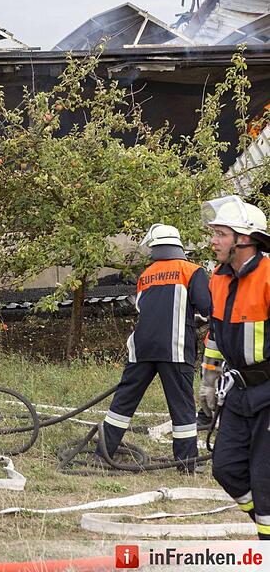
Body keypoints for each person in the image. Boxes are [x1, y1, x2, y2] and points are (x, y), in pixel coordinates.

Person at [97, 224, 211, 471]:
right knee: (182, 408)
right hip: (175, 349)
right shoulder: (193, 271)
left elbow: (143, 309)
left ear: (154, 248)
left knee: (123, 403)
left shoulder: (146, 275)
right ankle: (187, 464)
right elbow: (206, 307)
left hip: (141, 349)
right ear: (179, 246)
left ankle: (101, 454)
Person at [200, 196, 270, 540]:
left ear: (245, 239)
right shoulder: (219, 278)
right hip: (238, 393)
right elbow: (215, 334)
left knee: (265, 478)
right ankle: (263, 521)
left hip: (268, 393)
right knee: (226, 469)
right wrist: (208, 380)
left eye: (220, 234)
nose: (213, 241)